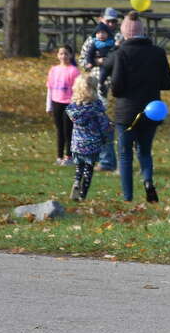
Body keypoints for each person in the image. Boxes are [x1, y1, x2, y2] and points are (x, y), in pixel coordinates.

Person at [102, 12, 170, 203]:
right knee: (144, 151)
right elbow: (167, 83)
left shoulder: (121, 53)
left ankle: (128, 197)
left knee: (125, 154)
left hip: (126, 112)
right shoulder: (158, 52)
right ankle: (148, 181)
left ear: (125, 33)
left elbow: (116, 86)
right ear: (143, 32)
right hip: (152, 110)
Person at [81, 19, 121, 171]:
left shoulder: (116, 41)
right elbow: (83, 61)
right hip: (95, 86)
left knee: (110, 124)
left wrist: (109, 62)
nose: (110, 24)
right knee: (101, 124)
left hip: (114, 87)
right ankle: (106, 160)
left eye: (113, 21)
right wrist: (94, 62)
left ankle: (111, 161)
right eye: (108, 21)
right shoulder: (91, 42)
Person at [65, 73, 113, 201]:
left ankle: (76, 182)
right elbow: (104, 126)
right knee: (88, 169)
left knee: (79, 166)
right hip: (91, 144)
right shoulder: (96, 108)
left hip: (77, 143)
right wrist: (108, 131)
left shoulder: (73, 108)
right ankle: (82, 195)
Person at [45, 44, 80, 166]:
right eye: (61, 53)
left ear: (70, 55)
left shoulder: (74, 71)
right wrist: (48, 105)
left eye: (66, 53)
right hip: (56, 102)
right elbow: (49, 88)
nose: (63, 56)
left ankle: (68, 156)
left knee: (68, 130)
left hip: (69, 104)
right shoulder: (53, 70)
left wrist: (77, 106)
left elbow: (78, 90)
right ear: (57, 55)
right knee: (59, 130)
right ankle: (59, 156)